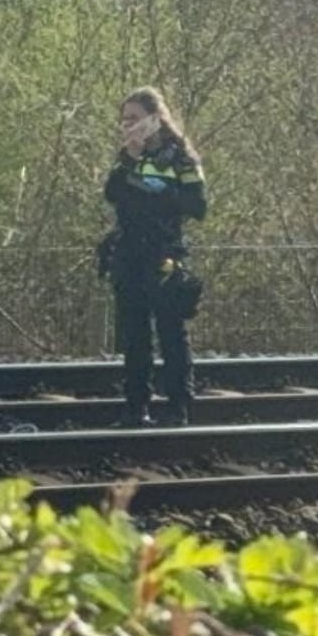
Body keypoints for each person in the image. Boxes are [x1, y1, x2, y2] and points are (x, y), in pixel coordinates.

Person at [101, 88, 208, 428]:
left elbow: (198, 206)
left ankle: (178, 407)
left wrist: (162, 194)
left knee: (171, 332)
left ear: (154, 118)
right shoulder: (127, 155)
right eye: (124, 120)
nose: (128, 125)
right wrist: (130, 160)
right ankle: (135, 408)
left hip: (164, 253)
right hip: (129, 253)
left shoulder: (181, 158)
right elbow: (112, 194)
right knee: (134, 336)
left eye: (134, 118)